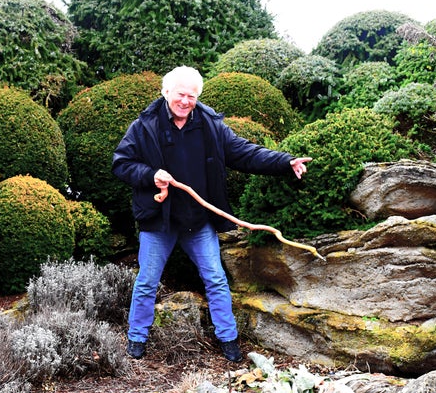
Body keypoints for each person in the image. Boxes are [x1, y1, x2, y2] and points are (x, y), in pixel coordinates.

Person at [112, 66, 312, 362]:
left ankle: (228, 339)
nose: (185, 101)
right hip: (159, 222)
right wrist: (150, 174)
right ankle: (137, 338)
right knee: (147, 282)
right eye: (180, 94)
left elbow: (244, 153)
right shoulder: (144, 126)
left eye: (192, 96)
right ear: (166, 92)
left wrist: (285, 162)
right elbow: (121, 163)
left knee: (216, 279)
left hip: (197, 221)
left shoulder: (209, 124)